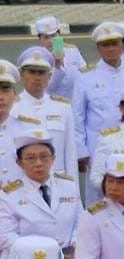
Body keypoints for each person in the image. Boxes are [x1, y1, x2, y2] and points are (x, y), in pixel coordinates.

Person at [0, 130, 81, 259]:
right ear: (19, 162)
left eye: (44, 156)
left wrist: (72, 245)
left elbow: (80, 224)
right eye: (30, 158)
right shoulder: (9, 194)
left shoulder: (68, 185)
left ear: (53, 158)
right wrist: (50, 253)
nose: (38, 163)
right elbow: (6, 236)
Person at [73, 22, 124, 190]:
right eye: (105, 45)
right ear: (98, 48)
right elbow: (78, 115)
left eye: (114, 43)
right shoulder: (85, 75)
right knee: (99, 195)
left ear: (123, 45)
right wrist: (81, 150)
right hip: (99, 148)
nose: (111, 49)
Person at [13, 49, 78, 179]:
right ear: (21, 75)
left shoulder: (62, 107)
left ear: (49, 76)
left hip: (57, 180)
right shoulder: (11, 108)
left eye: (42, 73)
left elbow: (70, 152)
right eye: (31, 72)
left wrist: (73, 190)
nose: (37, 78)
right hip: (22, 181)